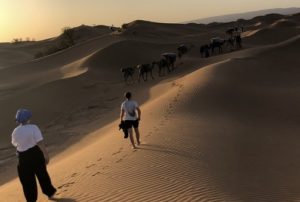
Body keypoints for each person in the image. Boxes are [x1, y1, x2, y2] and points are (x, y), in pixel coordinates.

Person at [11, 109, 56, 202]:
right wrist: (46, 155)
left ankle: (31, 200)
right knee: (42, 175)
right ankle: (50, 194)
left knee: (27, 181)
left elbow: (15, 144)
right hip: (35, 154)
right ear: (28, 118)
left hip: (22, 158)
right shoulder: (33, 127)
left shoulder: (15, 131)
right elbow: (40, 142)